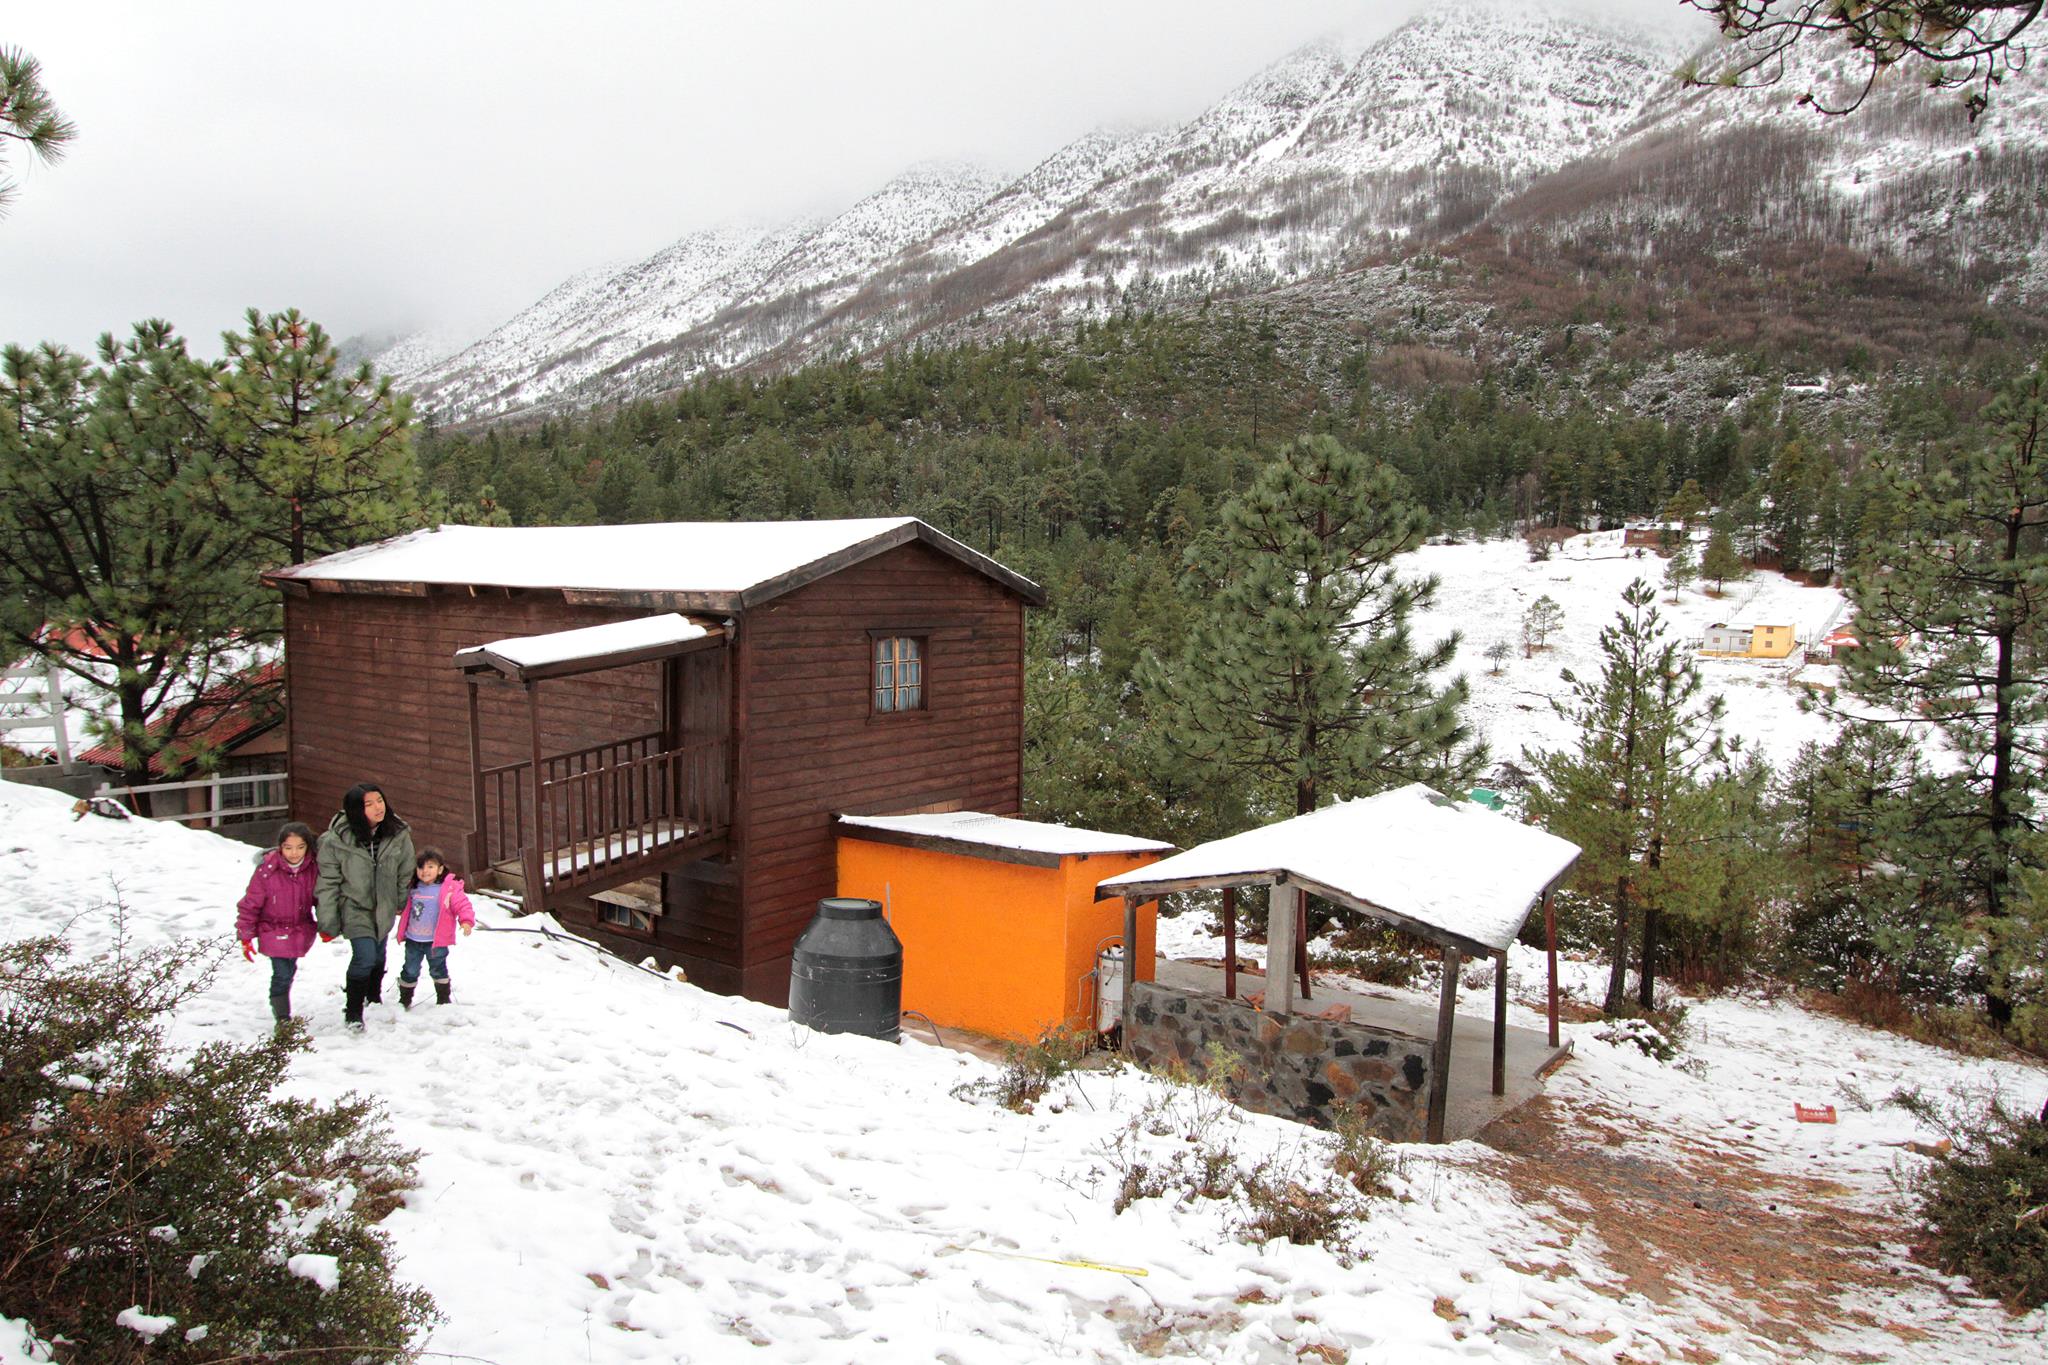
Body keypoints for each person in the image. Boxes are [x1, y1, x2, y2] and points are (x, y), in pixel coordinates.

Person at [315, 782, 415, 1030]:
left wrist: (400, 900)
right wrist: (327, 921)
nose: (377, 808)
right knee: (365, 956)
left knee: (379, 954)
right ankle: (353, 1012)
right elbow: (327, 883)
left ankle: (374, 996)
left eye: (379, 801)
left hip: (384, 906)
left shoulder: (397, 833)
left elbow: (405, 870)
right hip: (354, 906)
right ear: (355, 810)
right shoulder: (336, 840)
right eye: (368, 804)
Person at [235, 821, 326, 1024]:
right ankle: (282, 1018)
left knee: (289, 970)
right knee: (282, 973)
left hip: (299, 929)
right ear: (280, 847)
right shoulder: (266, 871)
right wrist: (246, 936)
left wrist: (328, 924)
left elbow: (321, 900)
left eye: (300, 847)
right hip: (272, 928)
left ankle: (281, 1008)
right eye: (288, 847)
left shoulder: (312, 869)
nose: (294, 853)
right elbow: (250, 904)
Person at [394, 847, 475, 1008]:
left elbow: (462, 905)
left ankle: (443, 998)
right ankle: (405, 999)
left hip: (435, 941)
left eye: (430, 867)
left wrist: (466, 921)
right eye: (421, 867)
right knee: (410, 969)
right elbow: (401, 905)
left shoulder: (448, 890)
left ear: (440, 870)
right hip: (413, 939)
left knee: (438, 968)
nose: (425, 871)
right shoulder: (413, 889)